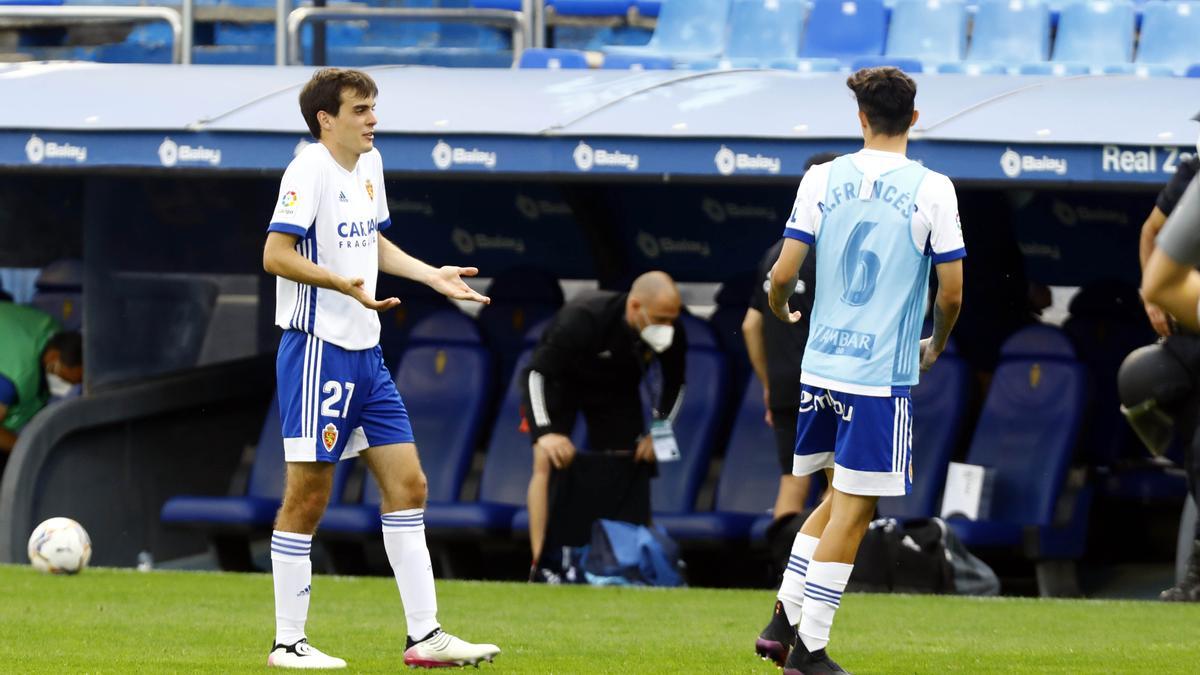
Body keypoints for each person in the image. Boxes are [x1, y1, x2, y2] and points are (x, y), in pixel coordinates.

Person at [260, 68, 499, 669]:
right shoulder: (308, 169)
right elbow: (276, 254)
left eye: (373, 107)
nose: (373, 118)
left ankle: (426, 636)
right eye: (361, 109)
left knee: (409, 485)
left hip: (367, 354)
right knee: (309, 496)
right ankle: (287, 641)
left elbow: (374, 243)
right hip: (319, 349)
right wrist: (336, 280)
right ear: (326, 120)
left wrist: (431, 276)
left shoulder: (371, 164)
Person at [753, 67, 965, 674]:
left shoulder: (822, 177)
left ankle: (780, 621)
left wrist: (781, 306)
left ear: (860, 119)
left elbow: (783, 275)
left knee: (837, 498)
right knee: (855, 509)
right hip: (877, 376)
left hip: (820, 367)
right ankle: (809, 651)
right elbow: (951, 293)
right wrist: (937, 343)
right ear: (915, 119)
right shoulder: (933, 187)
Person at [521, 271, 686, 581]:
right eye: (661, 319)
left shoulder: (672, 329)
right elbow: (535, 374)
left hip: (615, 386)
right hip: (562, 383)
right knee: (546, 459)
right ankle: (540, 565)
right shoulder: (583, 317)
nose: (667, 327)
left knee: (631, 457)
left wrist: (659, 431)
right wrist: (545, 433)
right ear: (635, 307)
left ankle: (627, 559)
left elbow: (676, 385)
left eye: (672, 320)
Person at [742, 152, 836, 523]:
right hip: (823, 381)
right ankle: (830, 570)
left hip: (782, 386)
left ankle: (783, 568)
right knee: (839, 483)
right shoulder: (830, 250)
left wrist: (768, 383)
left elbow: (750, 325)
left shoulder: (775, 253)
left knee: (793, 481)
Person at [1132, 118, 1200, 602]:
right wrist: (1154, 299)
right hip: (1193, 322)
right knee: (1197, 449)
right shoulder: (1193, 175)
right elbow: (1151, 231)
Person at [0, 301, 82, 460]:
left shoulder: (53, 330)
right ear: (53, 358)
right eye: (63, 378)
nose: (66, 387)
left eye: (73, 384)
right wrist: (30, 452)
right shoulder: (14, 378)